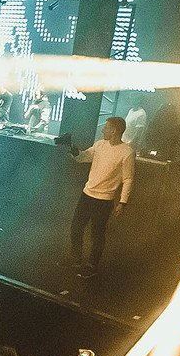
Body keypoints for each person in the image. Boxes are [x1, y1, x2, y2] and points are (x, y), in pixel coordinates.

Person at [57, 115, 134, 279]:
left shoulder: (127, 152)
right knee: (76, 227)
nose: (103, 129)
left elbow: (128, 179)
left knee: (97, 234)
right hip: (88, 194)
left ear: (114, 130)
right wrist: (71, 147)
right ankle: (76, 258)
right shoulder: (100, 145)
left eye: (106, 127)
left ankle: (92, 265)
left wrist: (123, 202)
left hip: (104, 200)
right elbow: (84, 157)